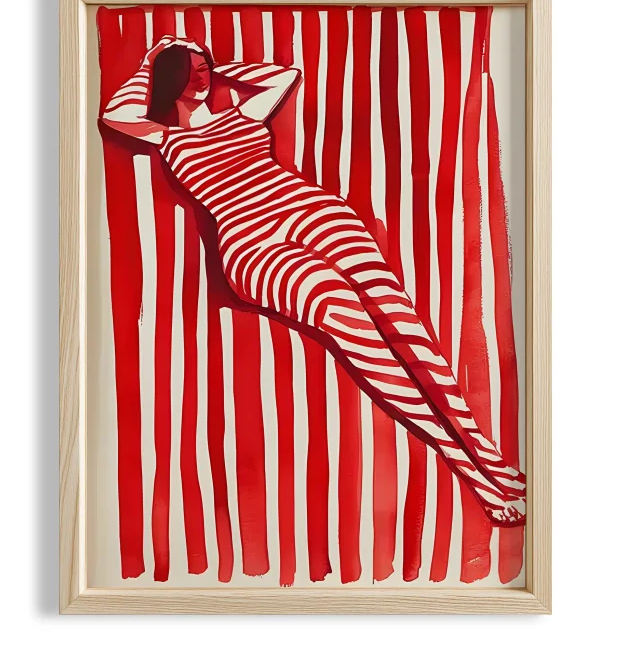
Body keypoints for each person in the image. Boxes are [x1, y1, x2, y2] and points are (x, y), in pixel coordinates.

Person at [101, 36, 526, 526]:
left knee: (401, 321)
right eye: (188, 67)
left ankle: (487, 455)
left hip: (308, 209)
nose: (200, 72)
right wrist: (155, 56)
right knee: (361, 337)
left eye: (204, 64)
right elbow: (115, 112)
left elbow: (283, 77)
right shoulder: (164, 136)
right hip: (253, 243)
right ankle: (475, 475)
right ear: (166, 77)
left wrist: (217, 68)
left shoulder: (241, 113)